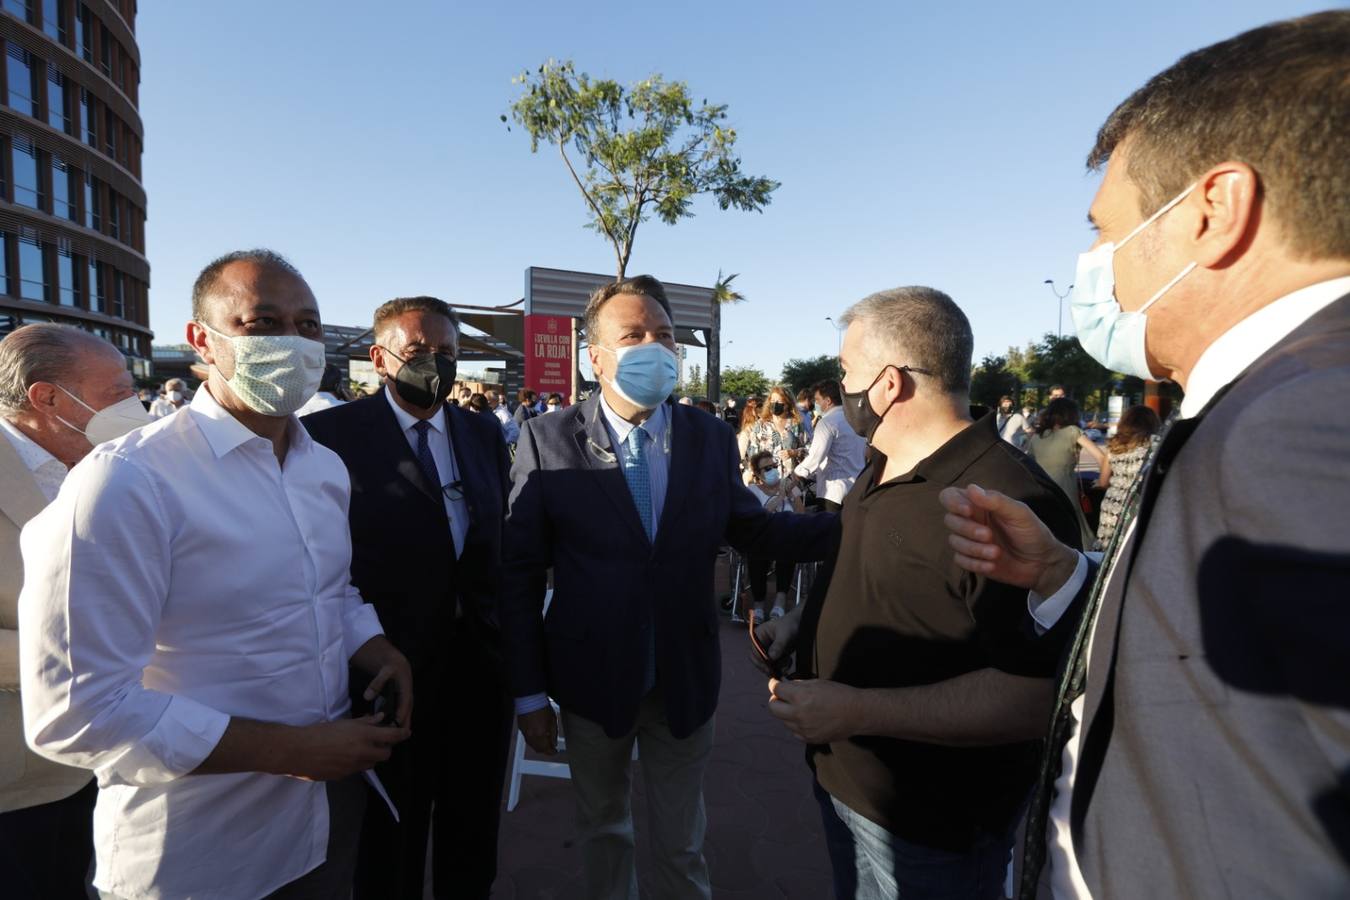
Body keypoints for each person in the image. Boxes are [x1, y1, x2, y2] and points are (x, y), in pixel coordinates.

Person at [939, 13, 1350, 897]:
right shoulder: (1261, 398)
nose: (1096, 265)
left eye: (1105, 229)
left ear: (1215, 211)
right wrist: (1065, 575)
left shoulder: (1307, 419)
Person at [18, 249, 413, 899]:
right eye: (263, 322)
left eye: (309, 325)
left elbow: (326, 591)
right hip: (195, 855)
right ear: (204, 340)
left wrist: (375, 646)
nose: (293, 339)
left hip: (317, 833)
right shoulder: (128, 480)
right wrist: (290, 751)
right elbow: (73, 711)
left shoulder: (323, 469)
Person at [501, 275, 835, 900]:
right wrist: (527, 695)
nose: (654, 347)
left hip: (683, 677)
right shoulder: (547, 440)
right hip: (592, 681)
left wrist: (857, 525)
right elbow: (518, 575)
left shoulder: (706, 436)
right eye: (633, 335)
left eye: (665, 336)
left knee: (682, 844)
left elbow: (754, 529)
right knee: (605, 830)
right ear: (594, 357)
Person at [758, 287, 1083, 900]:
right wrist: (800, 622)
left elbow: (1031, 699)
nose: (840, 385)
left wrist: (855, 710)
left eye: (846, 371)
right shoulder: (882, 464)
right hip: (845, 783)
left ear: (887, 384)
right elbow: (857, 565)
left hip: (932, 826)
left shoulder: (1006, 503)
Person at [305, 296, 513, 899]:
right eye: (420, 351)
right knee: (389, 834)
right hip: (383, 667)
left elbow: (491, 541)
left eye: (447, 353)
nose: (437, 364)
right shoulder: (328, 436)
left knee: (471, 830)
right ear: (379, 358)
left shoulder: (480, 433)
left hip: (476, 666)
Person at [0, 324, 151, 899]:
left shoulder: (113, 467)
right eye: (116, 394)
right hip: (18, 782)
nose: (134, 407)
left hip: (108, 766)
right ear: (48, 399)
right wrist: (83, 662)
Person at [1026, 397, 1108, 547]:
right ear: (1071, 414)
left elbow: (1027, 464)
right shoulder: (1072, 431)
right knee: (1077, 537)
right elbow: (1102, 458)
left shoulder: (1036, 437)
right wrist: (1102, 482)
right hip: (1066, 491)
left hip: (1041, 493)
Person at [743, 450, 805, 622]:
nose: (772, 470)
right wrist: (780, 497)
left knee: (787, 546)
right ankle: (759, 605)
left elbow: (801, 515)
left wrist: (791, 495)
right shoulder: (753, 491)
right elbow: (759, 516)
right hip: (763, 537)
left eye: (774, 466)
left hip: (786, 536)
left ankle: (780, 600)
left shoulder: (789, 487)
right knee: (756, 551)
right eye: (767, 468)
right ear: (757, 474)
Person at [1093, 404, 1161, 550]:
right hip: (1139, 504)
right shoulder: (1156, 442)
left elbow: (1103, 482)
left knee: (1108, 549)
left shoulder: (1115, 443)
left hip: (1113, 505)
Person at [793, 379, 867, 512]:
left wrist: (798, 473)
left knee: (832, 531)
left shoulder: (827, 423)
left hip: (834, 491)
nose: (816, 404)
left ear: (828, 401)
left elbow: (816, 456)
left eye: (817, 400)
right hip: (858, 487)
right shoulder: (856, 419)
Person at [745, 385, 806, 475]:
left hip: (791, 479)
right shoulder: (761, 425)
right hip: (766, 478)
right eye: (773, 401)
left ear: (788, 404)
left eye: (779, 401)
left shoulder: (796, 424)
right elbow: (752, 453)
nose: (775, 404)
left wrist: (795, 452)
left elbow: (808, 449)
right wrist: (754, 474)